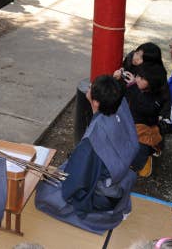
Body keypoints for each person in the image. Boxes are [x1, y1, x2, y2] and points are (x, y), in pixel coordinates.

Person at [35, 75, 139, 234]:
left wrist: (63, 182)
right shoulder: (120, 104)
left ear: (96, 102)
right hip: (121, 173)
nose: (89, 88)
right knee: (67, 167)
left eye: (91, 88)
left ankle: (99, 215)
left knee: (44, 193)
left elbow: (75, 184)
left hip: (104, 192)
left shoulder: (91, 142)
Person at [115, 63, 166, 177]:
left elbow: (146, 109)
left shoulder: (157, 98)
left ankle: (141, 162)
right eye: (137, 75)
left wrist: (133, 87)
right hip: (129, 125)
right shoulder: (135, 88)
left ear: (152, 83)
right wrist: (118, 80)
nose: (137, 79)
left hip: (145, 131)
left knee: (141, 146)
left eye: (142, 78)